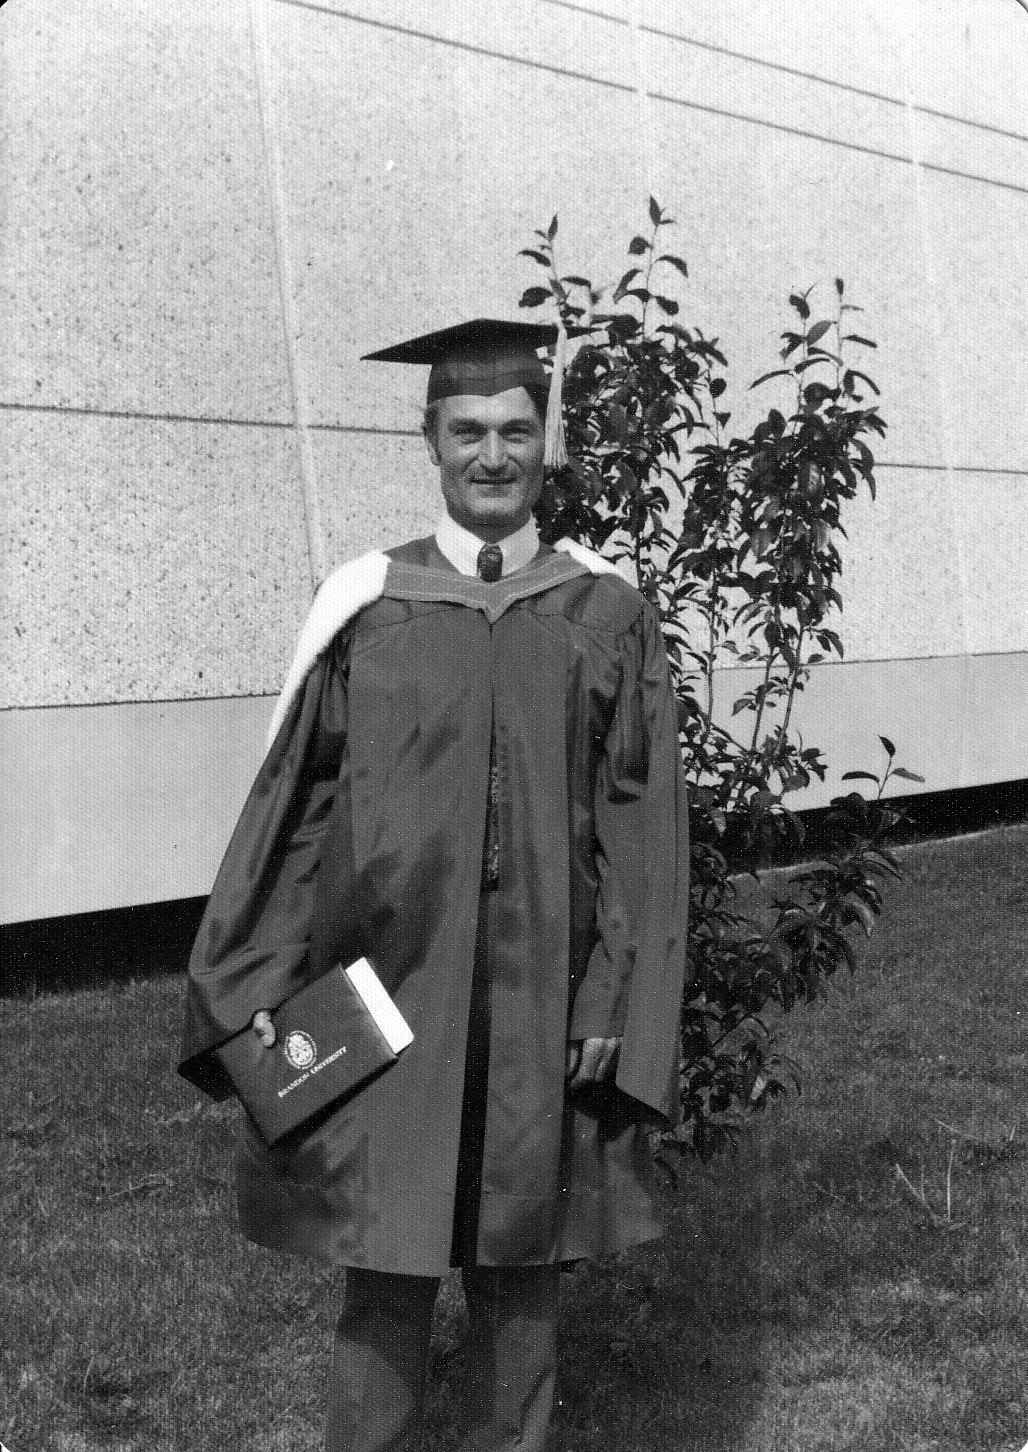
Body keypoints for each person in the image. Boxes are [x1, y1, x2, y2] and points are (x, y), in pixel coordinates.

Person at [178, 318, 690, 1452]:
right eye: (468, 431)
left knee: (523, 1276)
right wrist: (262, 980)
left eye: (515, 431)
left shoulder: (604, 609)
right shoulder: (369, 604)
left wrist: (615, 988)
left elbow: (640, 823)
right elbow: (295, 812)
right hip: (387, 984)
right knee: (385, 1269)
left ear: (547, 444)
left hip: (542, 991)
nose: (492, 455)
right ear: (429, 439)